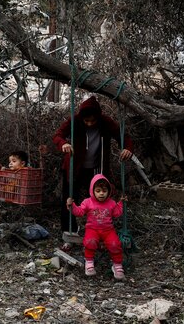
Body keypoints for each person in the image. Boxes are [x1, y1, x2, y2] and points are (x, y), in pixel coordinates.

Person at [53, 95, 133, 242]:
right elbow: (58, 135)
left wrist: (127, 148)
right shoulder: (75, 121)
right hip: (74, 167)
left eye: (93, 121)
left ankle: (100, 229)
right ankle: (69, 231)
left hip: (97, 167)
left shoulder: (105, 122)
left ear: (98, 117)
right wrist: (63, 143)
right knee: (70, 198)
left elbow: (123, 136)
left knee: (100, 198)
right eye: (86, 121)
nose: (89, 124)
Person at [67, 174, 126, 280]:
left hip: (108, 230)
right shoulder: (88, 202)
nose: (101, 194)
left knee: (115, 244)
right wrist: (72, 206)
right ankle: (89, 261)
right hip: (92, 229)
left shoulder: (111, 203)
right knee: (90, 241)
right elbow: (79, 212)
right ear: (92, 191)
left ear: (109, 191)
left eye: (104, 191)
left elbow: (117, 213)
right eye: (98, 191)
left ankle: (117, 265)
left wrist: (122, 203)